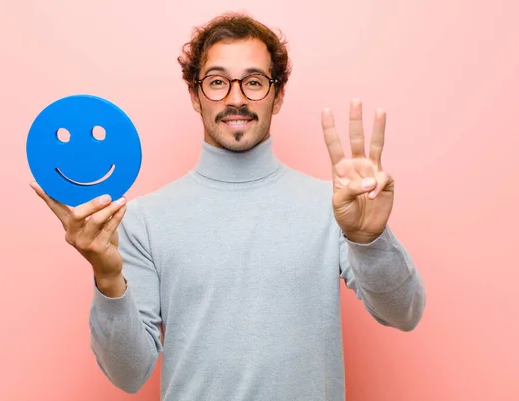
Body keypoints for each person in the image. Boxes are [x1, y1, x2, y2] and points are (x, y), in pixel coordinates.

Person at [31, 12, 426, 401]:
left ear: (278, 94)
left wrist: (370, 240)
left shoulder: (335, 208)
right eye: (217, 82)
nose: (236, 99)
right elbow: (129, 374)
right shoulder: (143, 220)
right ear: (194, 94)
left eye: (253, 82)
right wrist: (107, 275)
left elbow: (403, 313)